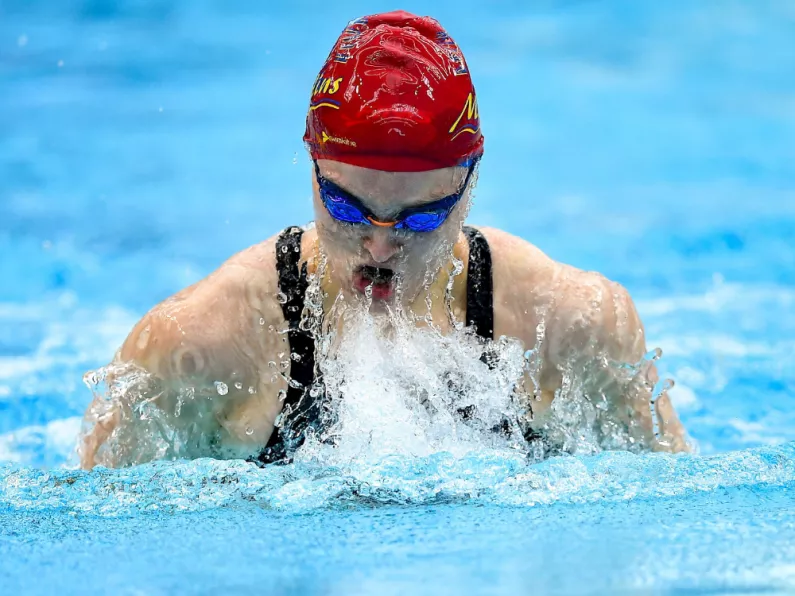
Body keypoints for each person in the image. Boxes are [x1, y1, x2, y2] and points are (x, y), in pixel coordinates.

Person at [79, 10, 688, 470]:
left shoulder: (571, 325)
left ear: (469, 184)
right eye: (346, 208)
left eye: (420, 219)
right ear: (312, 167)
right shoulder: (200, 348)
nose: (378, 246)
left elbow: (669, 517)